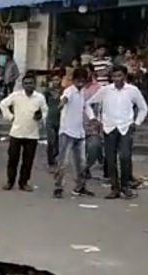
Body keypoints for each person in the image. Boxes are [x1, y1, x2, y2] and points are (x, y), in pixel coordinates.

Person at [86, 65, 148, 199]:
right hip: (109, 127)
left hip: (126, 127)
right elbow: (89, 104)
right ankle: (114, 188)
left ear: (125, 76)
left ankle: (125, 186)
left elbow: (143, 108)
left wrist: (136, 123)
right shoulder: (106, 90)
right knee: (110, 159)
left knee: (125, 156)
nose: (117, 79)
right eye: (114, 76)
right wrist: (93, 119)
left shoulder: (132, 90)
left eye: (119, 76)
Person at [0, 73, 48, 192]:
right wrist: (10, 117)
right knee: (13, 159)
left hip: (32, 134)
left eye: (30, 83)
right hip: (16, 132)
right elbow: (3, 104)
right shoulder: (16, 95)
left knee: (28, 160)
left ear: (35, 84)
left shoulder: (40, 97)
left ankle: (24, 182)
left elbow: (45, 111)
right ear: (22, 85)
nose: (28, 86)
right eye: (25, 83)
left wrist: (40, 117)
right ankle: (10, 181)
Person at [53, 67, 94, 198]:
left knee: (82, 162)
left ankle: (80, 186)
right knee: (63, 162)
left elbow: (86, 106)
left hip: (80, 132)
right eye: (79, 81)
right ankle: (58, 187)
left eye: (83, 81)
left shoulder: (82, 92)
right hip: (67, 131)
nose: (81, 84)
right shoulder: (69, 91)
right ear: (74, 80)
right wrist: (61, 103)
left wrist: (93, 118)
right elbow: (65, 99)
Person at [82, 64, 106, 179]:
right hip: (78, 123)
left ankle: (87, 166)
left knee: (94, 147)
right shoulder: (77, 87)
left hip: (93, 123)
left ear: (92, 72)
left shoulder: (99, 88)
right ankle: (83, 169)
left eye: (87, 72)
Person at [44, 71, 63, 171]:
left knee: (58, 141)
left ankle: (56, 159)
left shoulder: (64, 91)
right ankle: (50, 162)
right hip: (50, 118)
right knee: (51, 140)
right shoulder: (48, 92)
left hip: (61, 118)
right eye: (54, 80)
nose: (56, 82)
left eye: (57, 79)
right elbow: (44, 104)